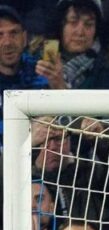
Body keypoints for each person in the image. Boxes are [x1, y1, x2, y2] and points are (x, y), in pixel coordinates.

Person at [34, 0, 109, 90]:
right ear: (60, 25)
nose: (80, 32)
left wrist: (59, 86)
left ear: (97, 31)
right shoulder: (35, 60)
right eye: (73, 22)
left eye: (88, 24)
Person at [0, 4, 49, 134]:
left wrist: (59, 86)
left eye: (14, 33)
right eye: (0, 35)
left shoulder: (41, 73)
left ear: (25, 38)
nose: (7, 42)